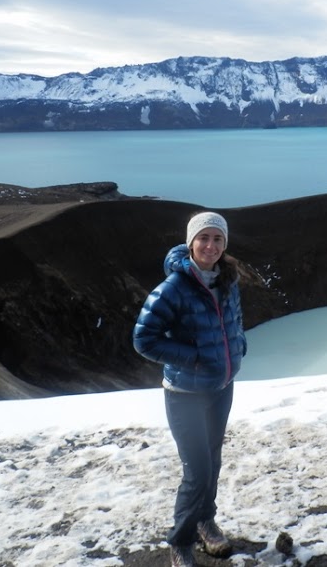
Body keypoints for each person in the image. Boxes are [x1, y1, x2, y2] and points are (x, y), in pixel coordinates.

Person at [133, 211, 247, 567]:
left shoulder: (227, 280)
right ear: (191, 242)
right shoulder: (174, 288)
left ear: (224, 245)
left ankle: (205, 521)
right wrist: (195, 358)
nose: (210, 246)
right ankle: (180, 542)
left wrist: (239, 346)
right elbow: (143, 339)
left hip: (220, 387)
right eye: (204, 238)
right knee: (196, 471)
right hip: (185, 394)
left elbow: (235, 322)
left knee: (212, 462)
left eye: (217, 239)